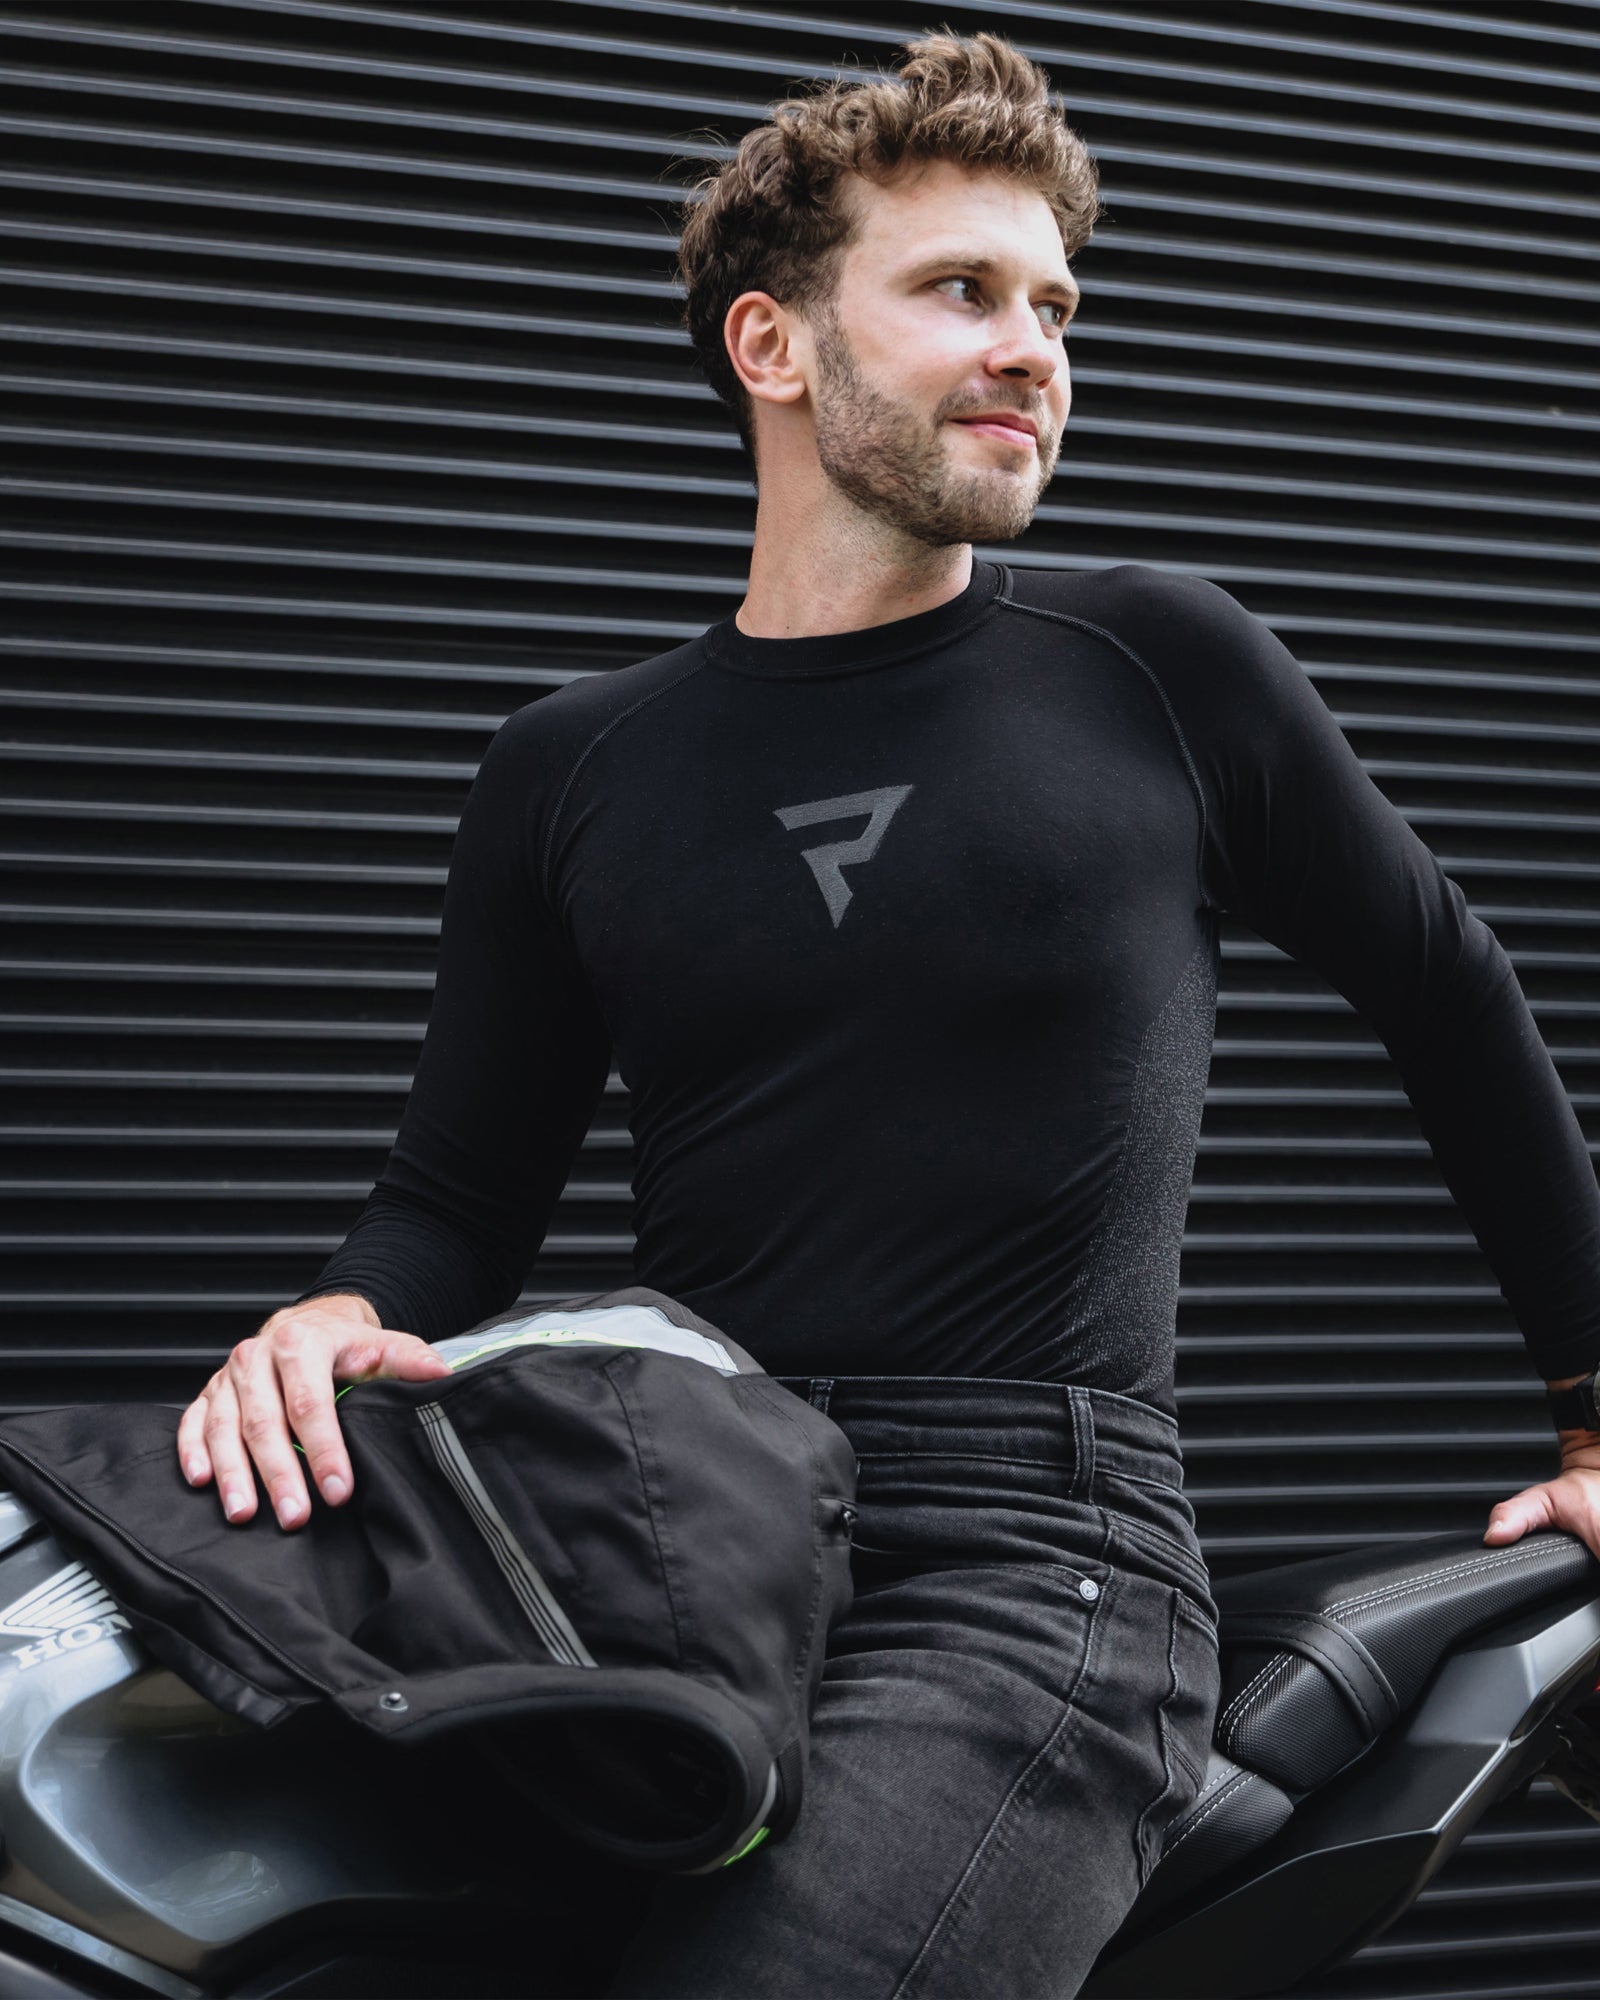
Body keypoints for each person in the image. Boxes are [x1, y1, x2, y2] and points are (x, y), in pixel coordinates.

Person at [171, 32, 1600, 1999]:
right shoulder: (569, 768)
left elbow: (1445, 989)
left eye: (1052, 305)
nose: (1034, 346)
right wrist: (333, 1312)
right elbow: (455, 1193)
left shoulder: (1157, 667)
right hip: (675, 1532)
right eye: (959, 291)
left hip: (1037, 1569)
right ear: (770, 345)